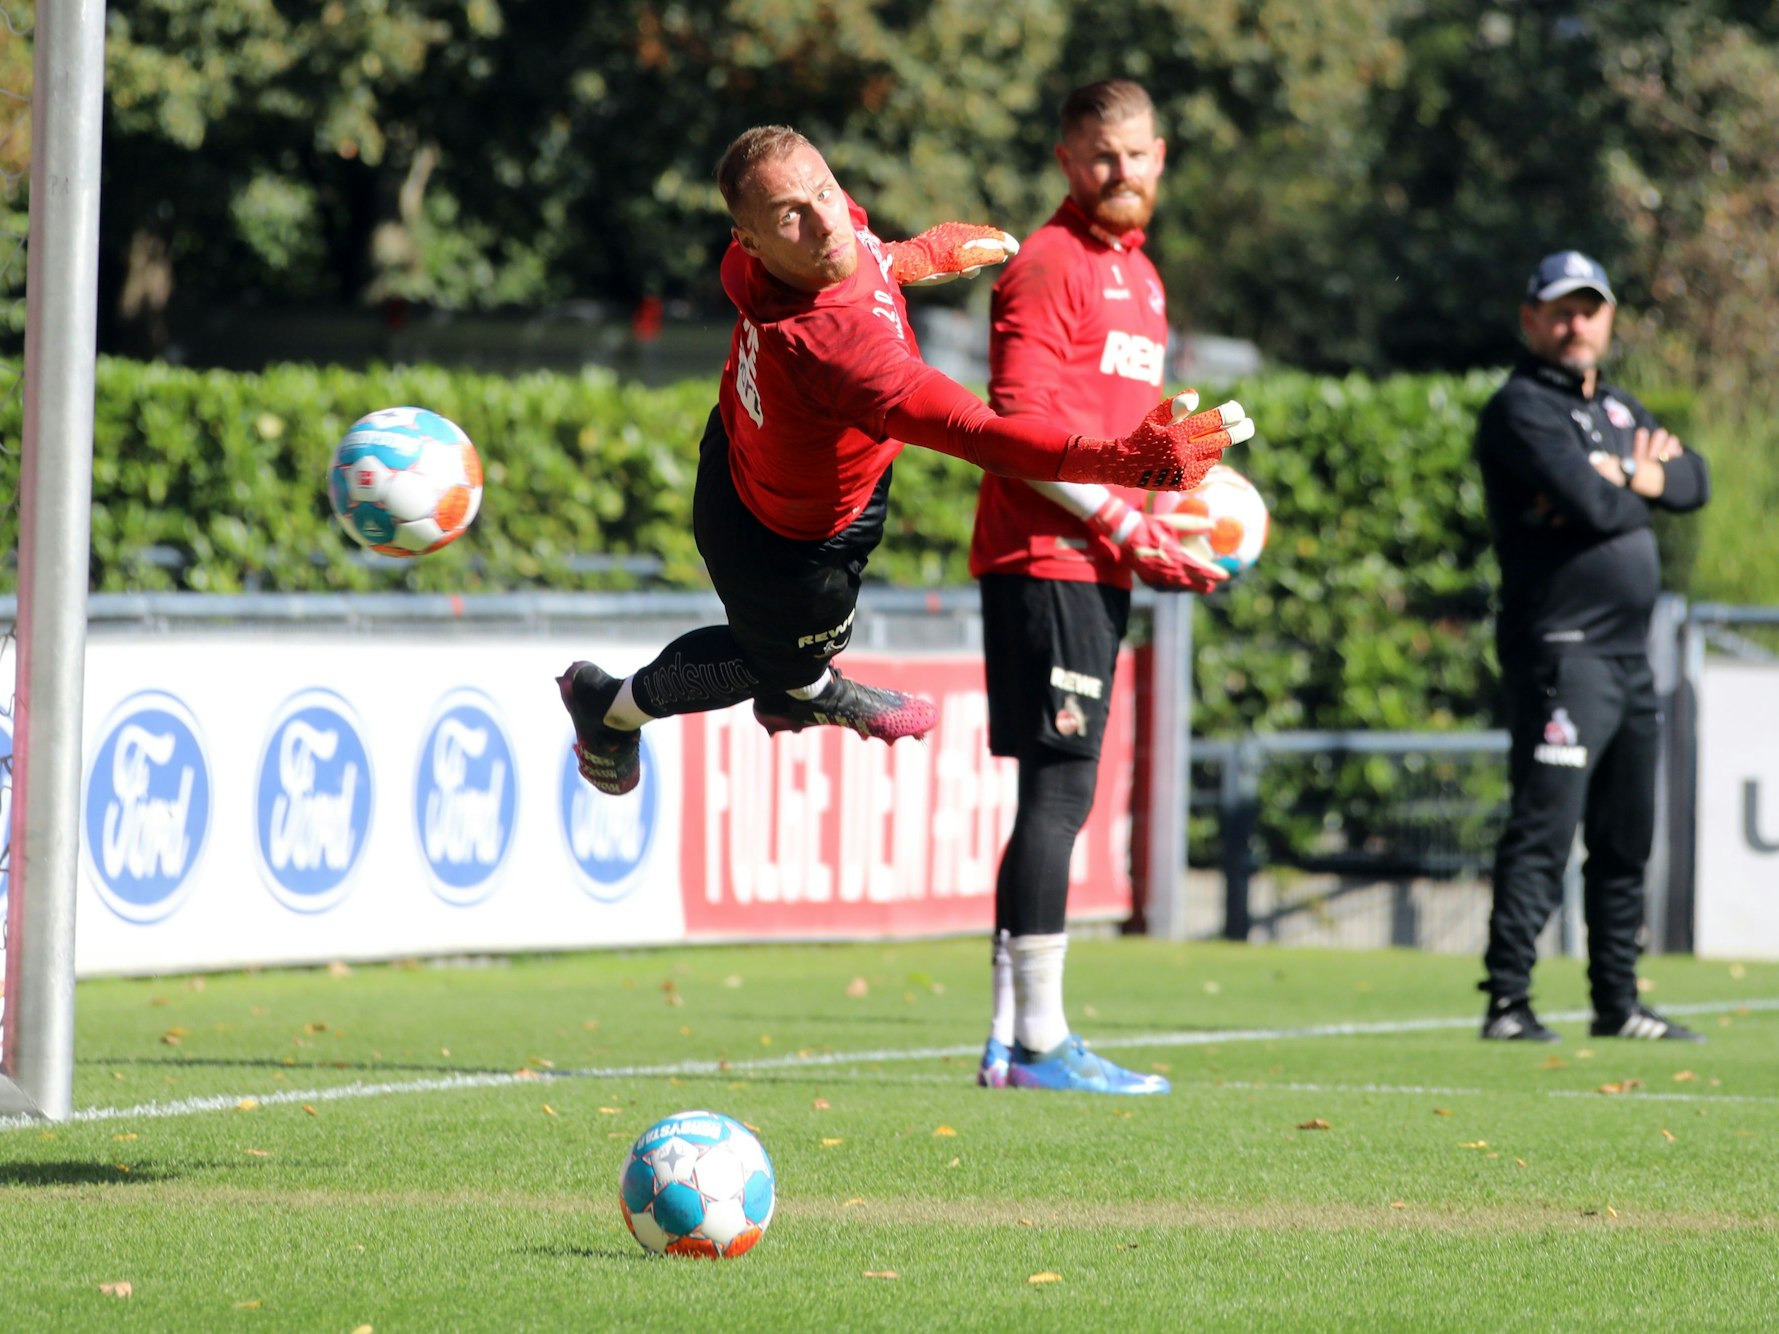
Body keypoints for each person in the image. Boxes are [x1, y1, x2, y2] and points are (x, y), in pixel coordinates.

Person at [558, 124, 1252, 798]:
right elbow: (984, 435)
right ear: (752, 242)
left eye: (823, 193)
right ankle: (615, 709)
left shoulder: (785, 248)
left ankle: (796, 686)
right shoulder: (837, 352)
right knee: (771, 664)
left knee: (788, 656)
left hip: (741, 453)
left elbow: (861, 248)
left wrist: (910, 257)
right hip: (790, 544)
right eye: (790, 215)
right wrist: (1120, 461)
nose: (825, 223)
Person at [969, 81, 1228, 1097]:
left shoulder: (1146, 278)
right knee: (1061, 788)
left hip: (1098, 553)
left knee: (1056, 788)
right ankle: (1039, 1042)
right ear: (1070, 162)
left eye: (1136, 155)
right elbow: (1015, 428)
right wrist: (1121, 520)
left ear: (1160, 154)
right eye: (1099, 157)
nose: (1121, 173)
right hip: (1049, 554)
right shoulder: (1047, 264)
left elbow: (1117, 436)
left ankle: (1008, 1041)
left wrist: (1159, 499)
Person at [1474, 250, 1710, 1043]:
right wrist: (1630, 484)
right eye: (1560, 310)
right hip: (1560, 650)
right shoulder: (1519, 408)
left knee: (1622, 839)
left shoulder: (1616, 408)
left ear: (1607, 318)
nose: (1576, 324)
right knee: (1543, 829)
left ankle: (1618, 1003)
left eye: (1590, 309)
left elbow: (1694, 482)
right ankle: (1507, 1002)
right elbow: (1592, 505)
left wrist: (1628, 476)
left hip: (1627, 657)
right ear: (1531, 320)